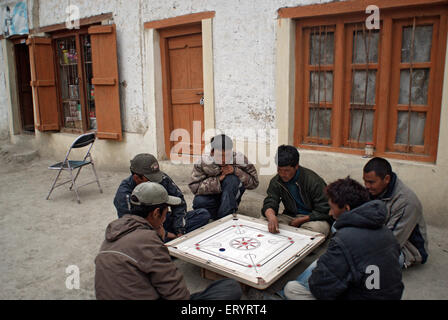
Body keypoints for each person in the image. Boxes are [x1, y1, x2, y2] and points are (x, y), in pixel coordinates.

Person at [95, 181, 243, 300]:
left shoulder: (114, 231)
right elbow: (178, 295)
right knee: (230, 288)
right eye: (166, 212)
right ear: (156, 212)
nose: (166, 216)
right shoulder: (148, 240)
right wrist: (157, 241)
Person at [283, 177, 404, 300]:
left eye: (332, 207)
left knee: (292, 289)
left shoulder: (344, 240)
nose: (330, 213)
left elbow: (320, 287)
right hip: (390, 295)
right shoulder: (386, 232)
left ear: (346, 208)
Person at [114, 153, 210, 241]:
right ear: (137, 178)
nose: (157, 181)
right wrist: (164, 233)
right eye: (151, 179)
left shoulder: (161, 178)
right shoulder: (124, 195)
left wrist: (179, 229)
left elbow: (179, 202)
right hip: (143, 230)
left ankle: (165, 242)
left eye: (156, 176)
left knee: (202, 215)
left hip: (161, 219)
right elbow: (131, 226)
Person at [363, 157, 428, 268]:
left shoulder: (407, 202)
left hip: (404, 248)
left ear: (387, 179)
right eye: (365, 181)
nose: (367, 186)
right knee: (338, 227)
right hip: (378, 233)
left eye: (371, 182)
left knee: (369, 260)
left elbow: (392, 241)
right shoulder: (374, 190)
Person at [262, 145, 331, 237]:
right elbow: (270, 201)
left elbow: (325, 209)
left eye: (286, 170)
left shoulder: (313, 181)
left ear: (296, 166)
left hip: (312, 218)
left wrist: (302, 220)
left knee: (318, 229)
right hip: (290, 216)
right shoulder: (276, 181)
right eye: (279, 169)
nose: (282, 174)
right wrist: (271, 217)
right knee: (264, 222)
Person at [189, 134, 259, 220]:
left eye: (227, 155)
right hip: (212, 197)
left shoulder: (239, 159)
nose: (223, 160)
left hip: (230, 197)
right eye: (220, 155)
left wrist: (235, 171)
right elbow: (194, 187)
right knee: (198, 202)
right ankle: (216, 215)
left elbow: (254, 183)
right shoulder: (203, 162)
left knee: (232, 180)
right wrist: (218, 180)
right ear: (212, 152)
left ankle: (225, 217)